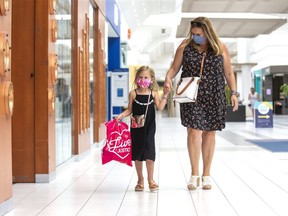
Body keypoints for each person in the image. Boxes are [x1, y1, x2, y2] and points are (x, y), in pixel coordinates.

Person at [164, 17, 239, 190]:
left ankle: (206, 174)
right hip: (192, 94)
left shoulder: (220, 47)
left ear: (208, 32)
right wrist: (168, 78)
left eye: (199, 34)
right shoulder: (185, 46)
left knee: (210, 133)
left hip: (214, 95)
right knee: (193, 131)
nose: (195, 36)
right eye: (193, 33)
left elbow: (228, 73)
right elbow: (174, 68)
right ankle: (194, 174)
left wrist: (234, 93)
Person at [116, 65, 168, 192]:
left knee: (150, 153)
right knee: (138, 153)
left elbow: (160, 107)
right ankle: (140, 180)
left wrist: (165, 95)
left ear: (151, 79)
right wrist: (122, 115)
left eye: (146, 77)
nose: (143, 80)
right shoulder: (133, 94)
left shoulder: (153, 93)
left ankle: (151, 180)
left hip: (149, 128)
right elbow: (129, 110)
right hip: (136, 128)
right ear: (136, 79)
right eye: (140, 77)